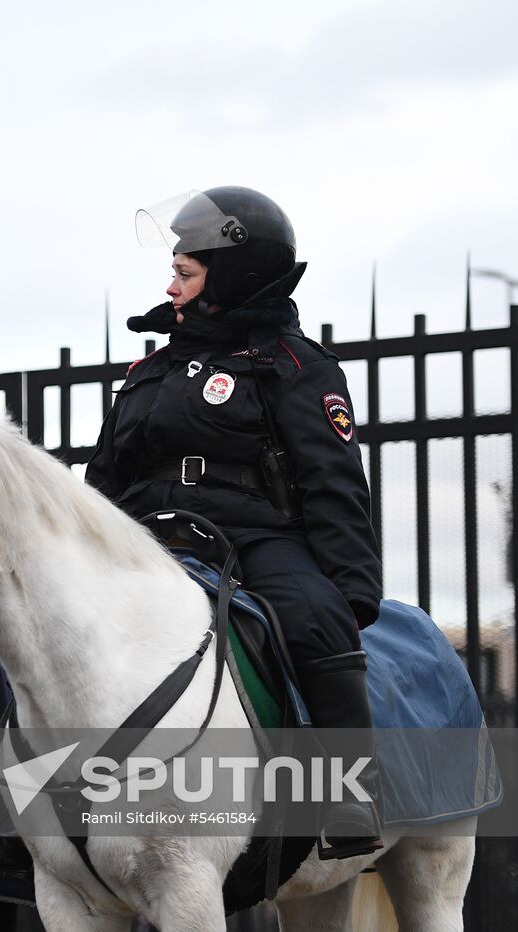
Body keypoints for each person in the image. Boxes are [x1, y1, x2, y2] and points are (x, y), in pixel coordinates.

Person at [85, 186, 384, 860]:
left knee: (314, 617)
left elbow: (334, 483)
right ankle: (38, 803)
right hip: (144, 538)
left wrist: (351, 589)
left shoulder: (297, 367)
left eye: (185, 273)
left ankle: (350, 792)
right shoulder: (151, 370)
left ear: (235, 274)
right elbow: (103, 479)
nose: (171, 285)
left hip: (253, 539)